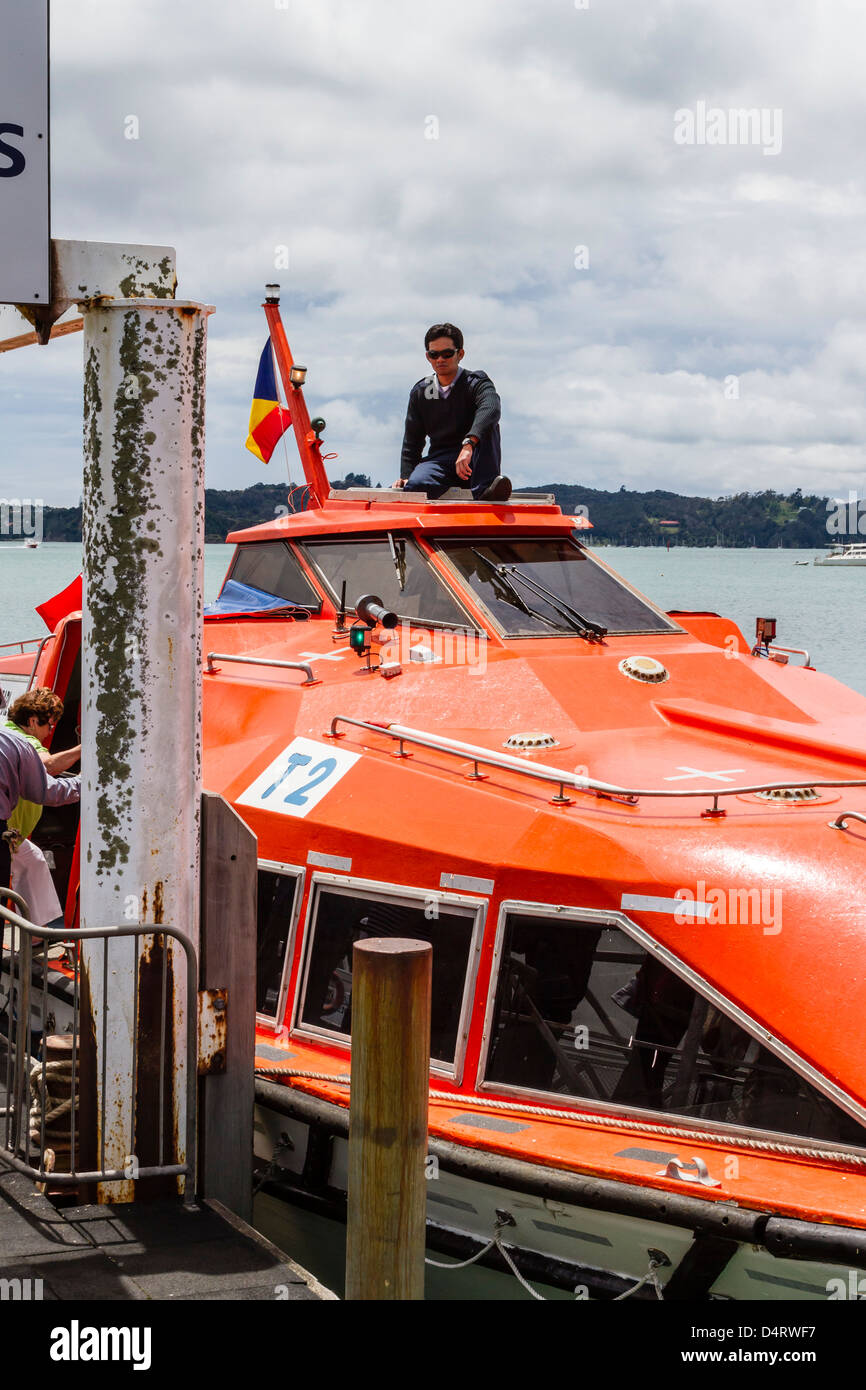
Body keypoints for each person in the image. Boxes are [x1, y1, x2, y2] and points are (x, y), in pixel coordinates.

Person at [394, 323, 512, 502]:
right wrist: (407, 475)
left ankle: (486, 489)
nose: (440, 359)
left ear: (460, 354)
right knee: (415, 487)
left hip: (476, 459)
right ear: (428, 357)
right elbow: (412, 441)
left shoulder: (477, 383)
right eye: (434, 354)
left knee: (488, 422)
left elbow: (491, 408)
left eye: (447, 353)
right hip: (441, 462)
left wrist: (469, 443)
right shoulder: (422, 391)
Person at [0, 692, 80, 919]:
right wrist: (86, 751)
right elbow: (49, 770)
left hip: (13, 833)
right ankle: (36, 933)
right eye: (50, 725)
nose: (50, 732)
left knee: (33, 861)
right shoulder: (23, 742)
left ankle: (34, 933)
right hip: (9, 832)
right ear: (34, 721)